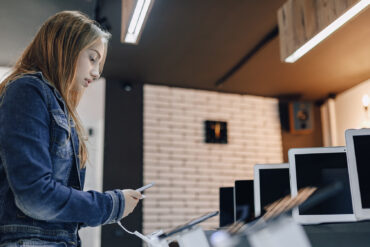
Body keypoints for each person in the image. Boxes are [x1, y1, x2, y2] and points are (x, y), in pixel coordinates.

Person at [0, 11, 142, 246]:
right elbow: (36, 198)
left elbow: (52, 209)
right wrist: (111, 204)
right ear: (66, 47)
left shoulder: (54, 104)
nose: (96, 73)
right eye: (93, 58)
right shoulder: (27, 90)